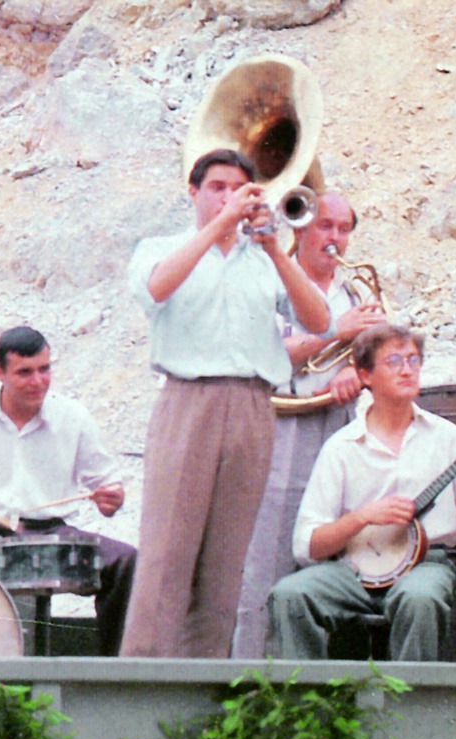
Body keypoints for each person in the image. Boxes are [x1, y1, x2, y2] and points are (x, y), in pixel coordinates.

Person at [122, 148, 330, 658]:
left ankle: (203, 681)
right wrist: (219, 226)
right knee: (168, 553)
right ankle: (142, 678)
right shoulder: (161, 248)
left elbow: (320, 320)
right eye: (217, 187)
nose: (230, 197)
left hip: (254, 405)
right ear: (193, 192)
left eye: (240, 188)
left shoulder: (262, 259)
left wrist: (276, 250)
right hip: (188, 401)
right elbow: (155, 289)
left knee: (226, 558)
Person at [267, 324, 456, 662]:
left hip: (424, 565)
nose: (407, 370)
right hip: (353, 568)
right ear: (365, 375)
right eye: (393, 361)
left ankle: (409, 696)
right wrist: (362, 517)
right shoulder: (342, 446)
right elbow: (307, 546)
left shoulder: (447, 437)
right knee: (289, 594)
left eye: (413, 360)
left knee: (421, 598)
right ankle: (305, 694)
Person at [0, 326, 135, 655]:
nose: (38, 381)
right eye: (24, 372)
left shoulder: (73, 416)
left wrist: (111, 497)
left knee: (127, 563)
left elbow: (108, 486)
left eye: (44, 369)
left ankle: (118, 667)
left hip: (50, 533)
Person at [232, 191, 385, 658]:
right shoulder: (268, 280)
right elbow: (261, 354)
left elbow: (379, 354)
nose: (335, 238)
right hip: (281, 424)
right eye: (325, 226)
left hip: (339, 425)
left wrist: (354, 370)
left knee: (336, 548)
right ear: (299, 228)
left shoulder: (355, 292)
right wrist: (336, 331)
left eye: (344, 228)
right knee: (269, 552)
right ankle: (251, 675)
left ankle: (324, 674)